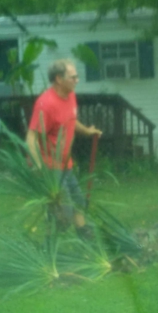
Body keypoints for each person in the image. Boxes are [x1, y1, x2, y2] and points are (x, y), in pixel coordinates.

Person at [26, 58, 102, 236]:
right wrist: (39, 166)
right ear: (59, 79)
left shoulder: (70, 96)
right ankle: (48, 251)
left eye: (77, 77)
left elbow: (70, 120)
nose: (77, 81)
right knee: (64, 214)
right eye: (73, 77)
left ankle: (87, 244)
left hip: (65, 164)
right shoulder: (46, 104)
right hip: (50, 167)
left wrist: (87, 131)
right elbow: (31, 137)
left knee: (79, 204)